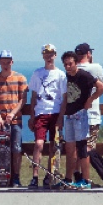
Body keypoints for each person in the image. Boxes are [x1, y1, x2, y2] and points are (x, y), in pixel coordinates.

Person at [59, 50, 103, 189]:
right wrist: (61, 116)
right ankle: (68, 178)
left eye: (70, 64)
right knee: (70, 147)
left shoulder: (84, 75)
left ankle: (85, 179)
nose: (68, 67)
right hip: (69, 115)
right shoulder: (66, 77)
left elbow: (102, 87)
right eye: (65, 64)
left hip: (81, 114)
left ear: (76, 62)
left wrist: (90, 100)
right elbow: (66, 97)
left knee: (82, 147)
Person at [0, 50, 28, 187]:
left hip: (15, 120)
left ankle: (16, 177)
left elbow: (23, 100)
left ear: (12, 62)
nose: (5, 64)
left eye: (8, 62)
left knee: (16, 149)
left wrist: (13, 113)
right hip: (0, 121)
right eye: (3, 62)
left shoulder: (21, 78)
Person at [28, 44, 65, 189]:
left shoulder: (60, 75)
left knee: (53, 147)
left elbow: (64, 98)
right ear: (42, 55)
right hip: (41, 113)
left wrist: (61, 117)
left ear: (55, 55)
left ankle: (50, 175)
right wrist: (32, 115)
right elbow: (33, 96)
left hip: (55, 113)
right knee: (39, 144)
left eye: (51, 54)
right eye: (46, 54)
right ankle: (35, 176)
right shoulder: (37, 73)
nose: (49, 57)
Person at [75, 43, 103, 158]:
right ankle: (85, 175)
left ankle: (77, 173)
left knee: (77, 148)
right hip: (92, 115)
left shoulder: (73, 70)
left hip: (75, 115)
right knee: (89, 148)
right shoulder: (96, 67)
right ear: (88, 54)